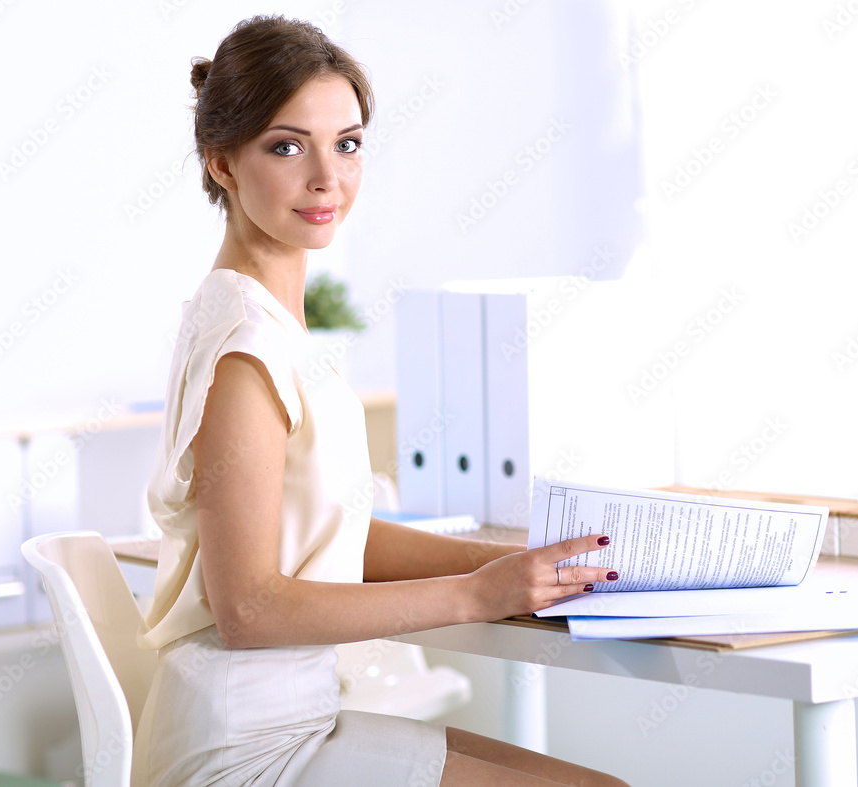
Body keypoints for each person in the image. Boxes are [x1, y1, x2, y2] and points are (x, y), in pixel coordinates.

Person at [132, 14, 631, 787]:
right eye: (287, 146)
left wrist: (511, 564)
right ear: (222, 162)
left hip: (293, 716)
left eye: (348, 143)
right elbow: (248, 609)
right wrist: (478, 592)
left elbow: (338, 532)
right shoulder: (245, 349)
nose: (327, 178)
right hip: (243, 750)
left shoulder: (258, 316)